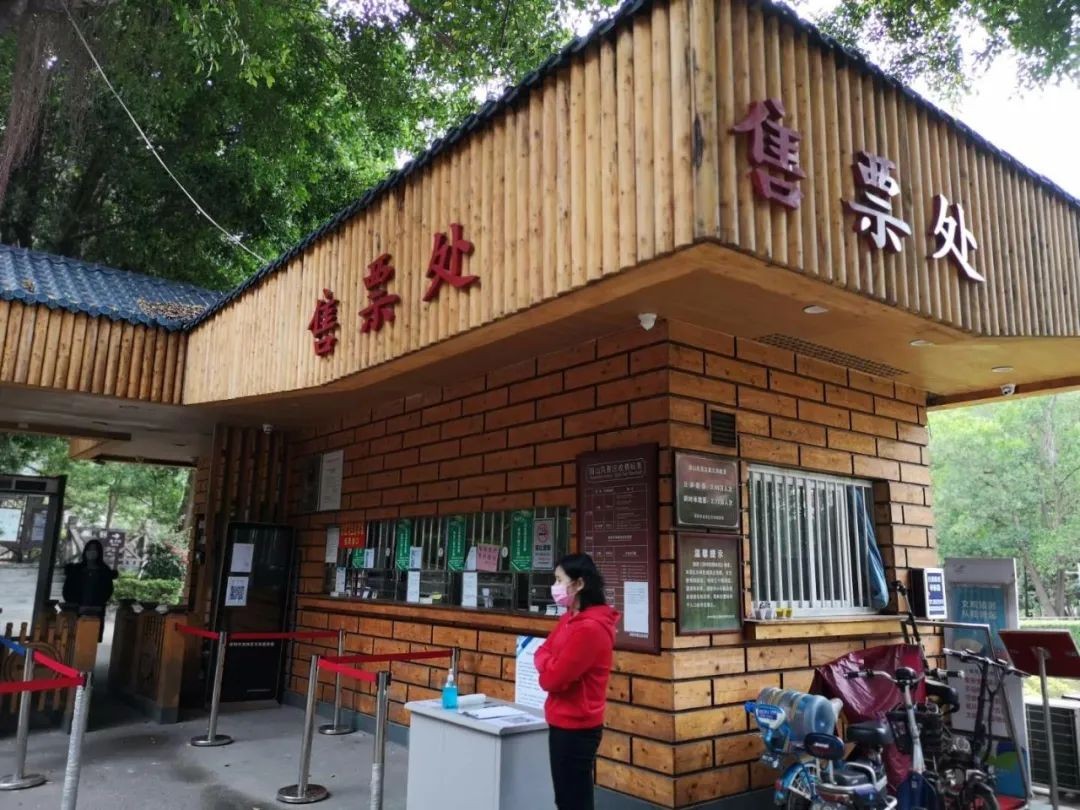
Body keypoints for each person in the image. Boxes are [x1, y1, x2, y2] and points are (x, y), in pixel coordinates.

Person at [535, 553, 619, 810]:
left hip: (577, 727)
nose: (555, 586)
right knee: (565, 797)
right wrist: (550, 662)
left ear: (579, 583)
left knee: (573, 800)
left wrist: (549, 664)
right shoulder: (569, 618)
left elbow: (552, 679)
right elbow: (541, 652)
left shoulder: (590, 628)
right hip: (561, 720)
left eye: (560, 580)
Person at [62, 539, 118, 639]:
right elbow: (67, 591)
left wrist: (96, 605)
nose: (91, 552)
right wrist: (74, 606)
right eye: (89, 549)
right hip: (75, 613)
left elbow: (107, 591)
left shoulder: (104, 572)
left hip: (95, 614)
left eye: (94, 550)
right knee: (71, 639)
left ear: (99, 553)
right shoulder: (75, 570)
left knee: (90, 640)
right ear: (85, 551)